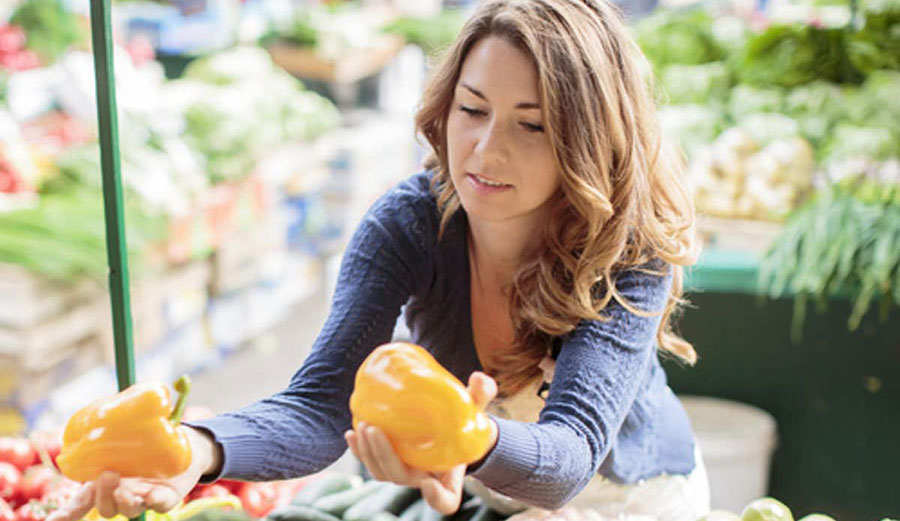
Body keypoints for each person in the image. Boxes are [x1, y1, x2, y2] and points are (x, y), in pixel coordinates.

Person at [47, 1, 709, 521]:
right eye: (471, 109)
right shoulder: (411, 223)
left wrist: (463, 437)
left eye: (530, 125)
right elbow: (319, 407)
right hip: (497, 497)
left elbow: (569, 458)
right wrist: (194, 448)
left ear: (587, 141)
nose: (483, 149)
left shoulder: (627, 248)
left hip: (631, 499)